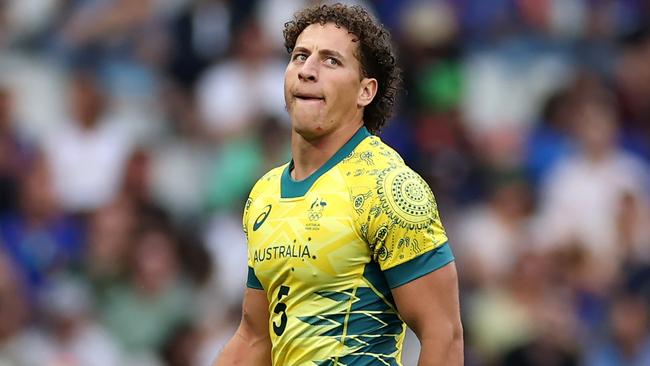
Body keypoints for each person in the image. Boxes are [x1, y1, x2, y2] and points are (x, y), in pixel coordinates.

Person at [214, 3, 463, 365]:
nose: (307, 71)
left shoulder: (387, 187)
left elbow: (444, 333)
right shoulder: (265, 194)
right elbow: (254, 337)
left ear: (365, 91)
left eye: (331, 61)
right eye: (300, 56)